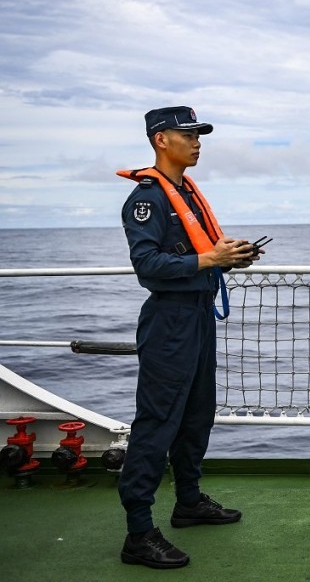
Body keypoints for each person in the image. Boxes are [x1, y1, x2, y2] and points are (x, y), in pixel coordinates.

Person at [116, 106, 262, 569]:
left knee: (198, 414)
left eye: (199, 135)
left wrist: (230, 256)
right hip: (169, 322)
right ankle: (139, 533)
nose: (198, 142)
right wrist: (208, 262)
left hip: (198, 317)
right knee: (157, 421)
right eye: (189, 134)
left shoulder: (187, 193)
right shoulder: (147, 199)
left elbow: (200, 252)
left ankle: (189, 502)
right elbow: (148, 267)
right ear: (161, 140)